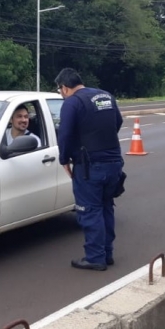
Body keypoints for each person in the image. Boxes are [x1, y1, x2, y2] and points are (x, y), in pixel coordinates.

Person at [54, 67, 123, 271]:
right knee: (106, 207)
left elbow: (64, 134)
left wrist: (64, 159)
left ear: (65, 88)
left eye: (60, 90)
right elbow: (117, 122)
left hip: (90, 166)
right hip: (114, 163)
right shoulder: (105, 96)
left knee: (89, 211)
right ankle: (107, 253)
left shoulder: (72, 103)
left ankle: (95, 257)